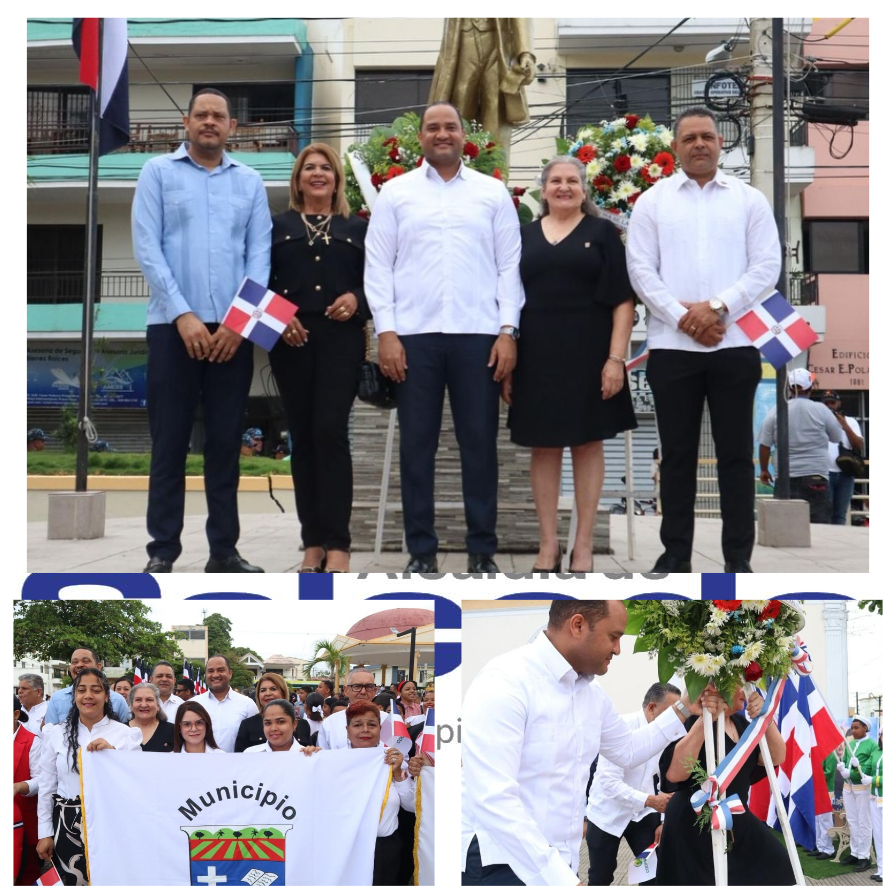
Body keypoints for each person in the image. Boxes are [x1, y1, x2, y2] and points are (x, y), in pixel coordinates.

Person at [365, 101, 524, 574]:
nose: (441, 134)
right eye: (432, 127)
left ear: (462, 135)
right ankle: (421, 551)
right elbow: (378, 268)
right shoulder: (395, 194)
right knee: (417, 448)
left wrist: (507, 331)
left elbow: (508, 267)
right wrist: (386, 333)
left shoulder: (492, 194)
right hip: (413, 338)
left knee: (480, 446)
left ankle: (482, 552)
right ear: (421, 137)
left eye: (449, 126)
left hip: (478, 335)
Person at [626, 106, 781, 573]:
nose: (699, 144)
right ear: (675, 147)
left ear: (720, 144)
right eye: (689, 137)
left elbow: (766, 266)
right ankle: (674, 557)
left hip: (735, 345)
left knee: (736, 457)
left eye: (707, 137)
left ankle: (738, 560)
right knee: (676, 457)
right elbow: (640, 270)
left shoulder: (749, 199)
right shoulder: (652, 202)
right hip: (673, 350)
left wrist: (716, 308)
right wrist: (684, 317)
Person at [461, 600, 699, 886]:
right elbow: (493, 798)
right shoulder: (506, 680)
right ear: (577, 625)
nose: (618, 649)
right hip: (502, 863)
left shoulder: (592, 694)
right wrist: (561, 880)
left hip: (561, 862)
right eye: (614, 636)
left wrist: (686, 707)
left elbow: (628, 750)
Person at [132, 87, 271, 574]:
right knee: (168, 441)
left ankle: (224, 552)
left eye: (219, 116)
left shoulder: (250, 182)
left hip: (233, 334)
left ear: (232, 127)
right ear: (186, 123)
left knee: (225, 443)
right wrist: (183, 314)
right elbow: (148, 248)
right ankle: (162, 551)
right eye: (201, 114)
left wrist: (238, 325)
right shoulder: (157, 173)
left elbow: (259, 259)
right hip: (172, 327)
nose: (210, 122)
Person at [504, 156, 637, 572]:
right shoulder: (521, 236)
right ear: (542, 191)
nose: (564, 187)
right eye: (556, 181)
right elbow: (505, 298)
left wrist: (616, 360)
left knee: (588, 442)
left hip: (592, 355)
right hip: (535, 356)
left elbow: (623, 302)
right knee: (543, 446)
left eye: (573, 181)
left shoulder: (602, 233)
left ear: (584, 189)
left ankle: (582, 547)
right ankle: (548, 546)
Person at [268, 143, 370, 574]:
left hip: (340, 341)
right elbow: (254, 280)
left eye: (325, 167)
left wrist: (357, 299)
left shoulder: (358, 227)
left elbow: (381, 283)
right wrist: (277, 318)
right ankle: (312, 543)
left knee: (330, 434)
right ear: (297, 178)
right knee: (304, 442)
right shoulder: (275, 226)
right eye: (308, 167)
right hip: (289, 340)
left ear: (337, 178)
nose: (317, 173)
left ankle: (339, 543)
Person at [654, 685, 792, 885]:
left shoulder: (742, 724)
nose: (746, 692)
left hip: (736, 819)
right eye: (739, 684)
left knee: (778, 865)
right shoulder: (693, 720)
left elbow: (777, 756)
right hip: (693, 825)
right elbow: (675, 774)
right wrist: (706, 718)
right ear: (719, 685)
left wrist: (765, 719)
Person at [36, 669, 141, 884]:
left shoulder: (125, 734)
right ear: (74, 696)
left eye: (96, 690)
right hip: (67, 827)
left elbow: (136, 784)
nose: (88, 696)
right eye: (81, 690)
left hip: (113, 823)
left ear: (106, 696)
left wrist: (114, 756)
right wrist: (44, 833)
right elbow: (47, 787)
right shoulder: (56, 734)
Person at [303, 700, 414, 885]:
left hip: (385, 850)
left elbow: (411, 806)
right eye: (357, 724)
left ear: (380, 729)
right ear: (347, 730)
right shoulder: (331, 762)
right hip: (345, 847)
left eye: (371, 724)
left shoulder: (394, 760)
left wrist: (397, 775)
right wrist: (309, 760)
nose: (365, 729)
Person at [585, 682, 681, 886]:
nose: (674, 720)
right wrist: (649, 800)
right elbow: (609, 783)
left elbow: (668, 779)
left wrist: (664, 820)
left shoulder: (672, 733)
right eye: (669, 713)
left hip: (643, 814)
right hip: (607, 814)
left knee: (652, 876)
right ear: (652, 707)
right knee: (601, 877)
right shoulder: (621, 728)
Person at [428, 18, 536, 155]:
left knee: (494, 108)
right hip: (463, 39)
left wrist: (526, 53)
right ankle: (457, 166)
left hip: (497, 42)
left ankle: (495, 168)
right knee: (460, 105)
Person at [758, 368, 842, 523]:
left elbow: (764, 445)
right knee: (819, 526)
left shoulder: (776, 411)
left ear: (789, 388)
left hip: (785, 478)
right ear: (811, 388)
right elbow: (837, 438)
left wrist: (764, 470)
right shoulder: (822, 410)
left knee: (785, 524)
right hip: (816, 477)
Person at [183, 655, 257, 752]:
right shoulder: (192, 704)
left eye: (220, 670)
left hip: (236, 765)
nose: (215, 675)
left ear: (230, 673)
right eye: (210, 671)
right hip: (200, 764)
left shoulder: (247, 704)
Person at [44, 648, 130, 725]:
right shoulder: (57, 698)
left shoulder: (118, 700)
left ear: (98, 666)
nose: (79, 665)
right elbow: (50, 734)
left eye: (85, 661)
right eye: (75, 662)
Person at [820, 390, 865, 525]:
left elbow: (859, 445)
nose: (829, 406)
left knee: (840, 515)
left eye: (832, 402)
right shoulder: (817, 421)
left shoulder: (850, 421)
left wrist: (844, 425)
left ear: (838, 403)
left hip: (845, 474)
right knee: (824, 514)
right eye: (826, 403)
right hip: (824, 473)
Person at [235, 672, 310, 752]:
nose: (268, 693)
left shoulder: (303, 725)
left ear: (283, 693)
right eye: (263, 690)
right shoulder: (247, 725)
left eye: (273, 689)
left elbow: (309, 754)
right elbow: (240, 759)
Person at [837, 716, 876, 871]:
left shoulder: (872, 745)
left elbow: (868, 768)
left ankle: (864, 856)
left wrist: (853, 770)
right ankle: (854, 852)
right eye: (852, 728)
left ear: (865, 728)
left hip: (863, 790)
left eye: (856, 727)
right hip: (848, 788)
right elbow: (846, 761)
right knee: (852, 821)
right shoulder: (850, 743)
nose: (853, 730)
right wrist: (843, 769)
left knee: (864, 822)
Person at [318, 669, 388, 750]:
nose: (363, 692)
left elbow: (402, 756)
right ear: (346, 690)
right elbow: (322, 757)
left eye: (369, 687)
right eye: (357, 686)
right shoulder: (330, 723)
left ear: (375, 691)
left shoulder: (390, 721)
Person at [14, 696, 42, 885]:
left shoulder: (32, 741)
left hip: (24, 821)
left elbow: (42, 780)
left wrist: (18, 787)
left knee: (25, 876)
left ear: (16, 714)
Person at [127, 682, 175, 752]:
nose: (143, 705)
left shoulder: (173, 731)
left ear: (158, 706)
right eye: (138, 700)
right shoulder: (121, 730)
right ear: (131, 706)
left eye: (149, 700)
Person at [869, 732, 882, 883]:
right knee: (878, 836)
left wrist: (873, 779)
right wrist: (853, 768)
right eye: (882, 735)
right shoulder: (876, 752)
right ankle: (881, 869)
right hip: (874, 799)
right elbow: (866, 769)